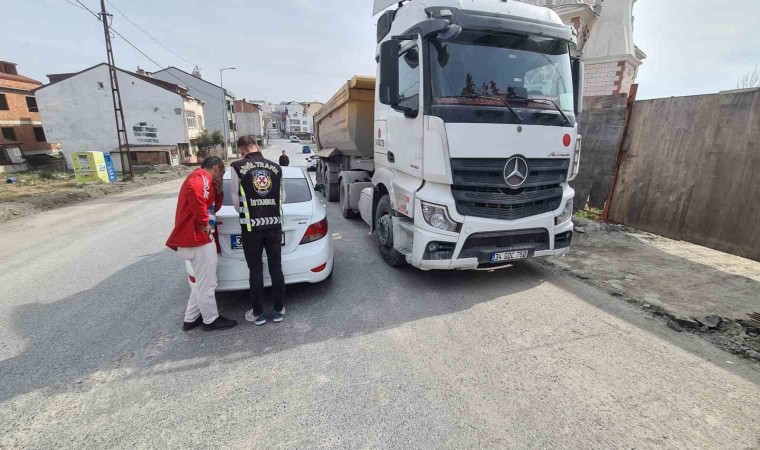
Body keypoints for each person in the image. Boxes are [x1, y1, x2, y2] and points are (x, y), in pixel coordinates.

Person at [166, 156, 238, 332]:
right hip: (197, 239)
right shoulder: (199, 178)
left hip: (195, 239)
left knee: (201, 282)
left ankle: (191, 318)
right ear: (215, 167)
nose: (220, 177)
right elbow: (195, 193)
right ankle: (210, 320)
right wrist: (203, 222)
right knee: (208, 284)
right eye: (220, 173)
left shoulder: (205, 182)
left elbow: (213, 206)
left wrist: (219, 193)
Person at [231, 135, 286, 326]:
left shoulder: (237, 167)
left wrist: (250, 211)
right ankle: (278, 311)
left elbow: (235, 201)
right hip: (274, 225)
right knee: (276, 268)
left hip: (251, 227)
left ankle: (259, 314)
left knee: (255, 271)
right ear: (256, 146)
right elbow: (282, 197)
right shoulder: (276, 168)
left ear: (241, 150)